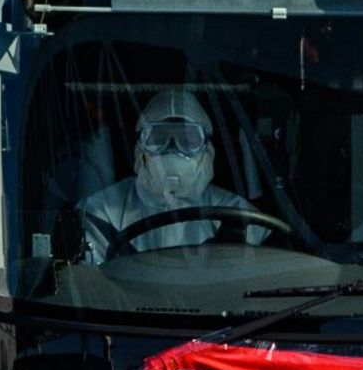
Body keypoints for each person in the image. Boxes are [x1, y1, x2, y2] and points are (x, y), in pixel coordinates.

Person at [78, 90, 267, 261]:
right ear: (140, 147)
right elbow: (91, 285)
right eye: (158, 138)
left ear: (206, 149)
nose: (172, 148)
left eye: (187, 139)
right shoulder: (100, 213)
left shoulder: (239, 215)